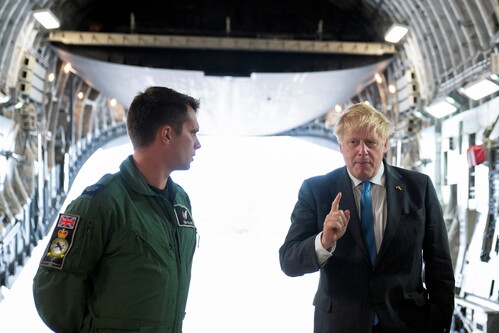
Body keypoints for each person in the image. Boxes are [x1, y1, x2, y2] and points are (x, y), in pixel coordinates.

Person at [33, 86, 202, 333]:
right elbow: (53, 293)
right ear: (167, 134)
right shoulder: (100, 203)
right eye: (192, 132)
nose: (198, 144)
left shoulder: (180, 202)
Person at [279, 103, 455, 333]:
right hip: (340, 325)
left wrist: (439, 323)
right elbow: (289, 262)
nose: (362, 150)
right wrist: (324, 241)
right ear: (341, 146)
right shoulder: (317, 190)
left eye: (370, 142)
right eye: (353, 142)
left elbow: (439, 264)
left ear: (384, 145)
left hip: (408, 324)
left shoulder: (418, 188)